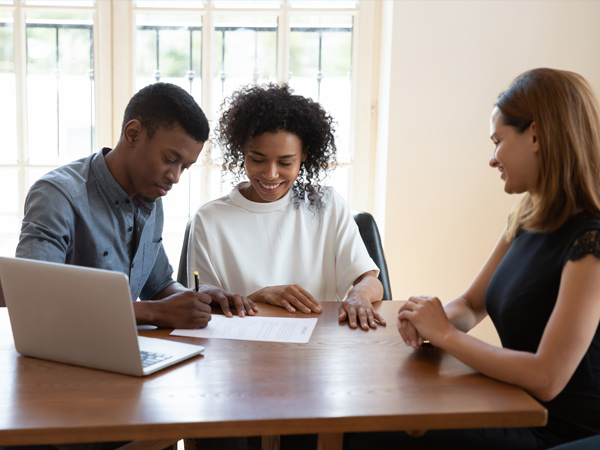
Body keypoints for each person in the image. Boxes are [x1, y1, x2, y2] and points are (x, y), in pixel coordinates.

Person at [352, 68, 600, 449]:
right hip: (514, 403)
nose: (492, 158)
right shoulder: (527, 216)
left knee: (378, 434)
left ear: (535, 135)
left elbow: (548, 376)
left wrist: (445, 334)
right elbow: (471, 304)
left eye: (497, 140)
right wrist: (428, 323)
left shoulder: (591, 243)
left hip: (556, 433)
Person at [16, 82, 254, 330]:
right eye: (170, 160)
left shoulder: (151, 194)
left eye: (184, 167)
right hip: (61, 354)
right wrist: (153, 313)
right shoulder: (58, 195)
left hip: (122, 347)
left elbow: (158, 286)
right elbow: (34, 297)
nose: (175, 177)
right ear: (133, 134)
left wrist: (199, 297)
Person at [187, 83, 385, 331]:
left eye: (285, 162)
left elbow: (371, 280)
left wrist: (358, 295)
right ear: (242, 152)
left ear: (303, 155)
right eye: (257, 159)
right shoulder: (210, 219)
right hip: (240, 351)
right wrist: (260, 295)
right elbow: (203, 301)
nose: (271, 174)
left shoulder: (326, 205)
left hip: (315, 347)